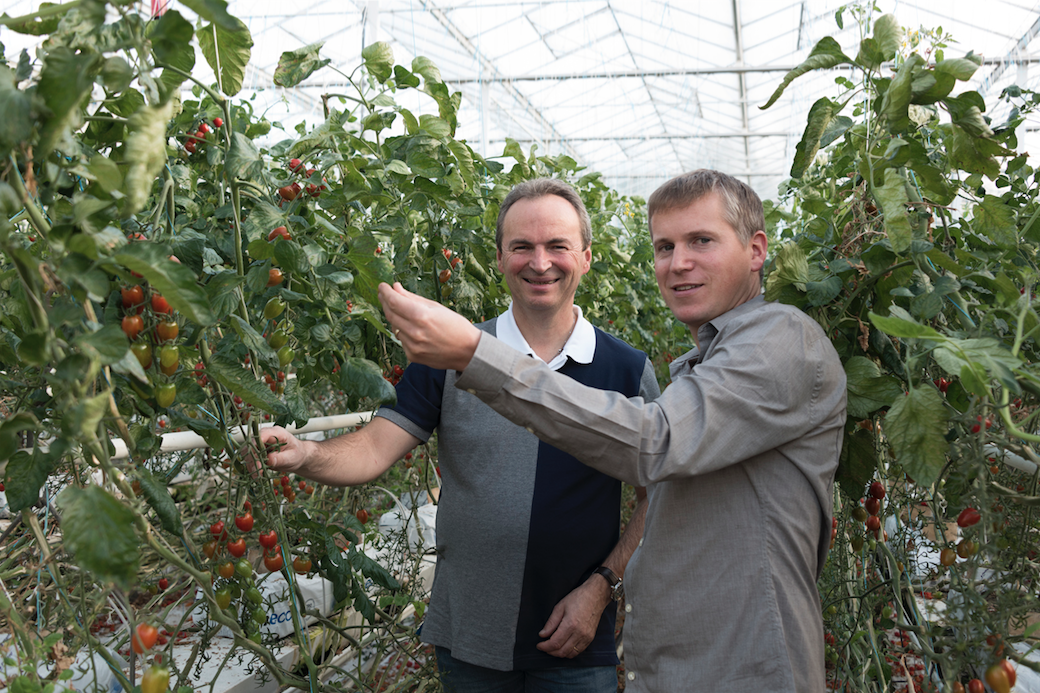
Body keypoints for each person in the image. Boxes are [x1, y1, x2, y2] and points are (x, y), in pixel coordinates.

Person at [378, 169, 848, 693]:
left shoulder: (782, 340)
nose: (679, 262)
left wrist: (475, 355)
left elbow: (654, 442)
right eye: (664, 246)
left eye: (702, 241)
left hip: (744, 669)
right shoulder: (703, 365)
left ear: (756, 250)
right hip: (680, 664)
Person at [259, 178, 661, 692]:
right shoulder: (448, 357)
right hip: (473, 636)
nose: (540, 262)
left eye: (557, 246)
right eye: (522, 247)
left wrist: (602, 588)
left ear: (585, 257)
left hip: (579, 639)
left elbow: (658, 494)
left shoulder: (625, 369)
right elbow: (375, 447)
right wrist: (305, 454)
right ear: (498, 258)